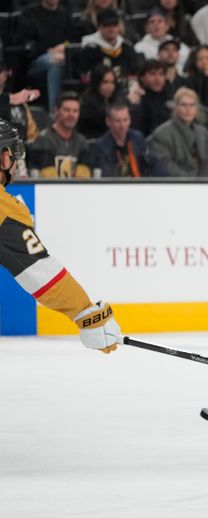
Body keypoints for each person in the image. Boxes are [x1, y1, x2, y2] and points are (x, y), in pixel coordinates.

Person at [0, 120, 122, 352]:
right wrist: (87, 315)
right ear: (5, 158)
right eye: (15, 156)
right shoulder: (4, 210)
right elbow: (41, 272)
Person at [14, 0, 73, 111]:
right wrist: (49, 51)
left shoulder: (65, 14)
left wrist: (65, 47)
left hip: (63, 55)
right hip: (34, 64)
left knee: (65, 60)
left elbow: (72, 39)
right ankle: (54, 111)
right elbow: (25, 45)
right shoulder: (29, 14)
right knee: (55, 62)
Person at [148, 87, 208, 177]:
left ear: (197, 109)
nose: (188, 109)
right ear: (175, 107)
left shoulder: (203, 132)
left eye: (192, 105)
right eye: (183, 105)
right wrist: (191, 182)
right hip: (177, 185)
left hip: (204, 184)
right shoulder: (162, 134)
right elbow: (165, 166)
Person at [91, 103, 165, 178]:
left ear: (130, 120)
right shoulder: (101, 146)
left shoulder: (137, 138)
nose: (122, 125)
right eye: (117, 121)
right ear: (108, 122)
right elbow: (106, 176)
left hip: (140, 185)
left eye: (125, 120)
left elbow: (154, 164)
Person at [28, 92, 92, 178]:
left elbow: (84, 177)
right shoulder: (43, 140)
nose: (71, 115)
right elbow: (46, 177)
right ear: (57, 111)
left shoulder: (81, 142)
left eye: (75, 111)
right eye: (67, 110)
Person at [79, 9, 140, 85]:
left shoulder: (127, 47)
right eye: (106, 25)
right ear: (98, 27)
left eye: (114, 24)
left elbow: (134, 73)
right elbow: (86, 78)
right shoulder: (89, 50)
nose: (111, 29)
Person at [134, 7, 190, 73]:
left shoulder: (178, 44)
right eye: (152, 22)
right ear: (147, 28)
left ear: (167, 26)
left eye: (160, 21)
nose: (156, 25)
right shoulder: (139, 47)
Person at [77, 65, 123, 140]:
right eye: (105, 82)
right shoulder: (88, 103)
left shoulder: (115, 99)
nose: (109, 87)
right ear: (97, 83)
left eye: (112, 82)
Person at [130, 59, 172, 137]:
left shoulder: (170, 98)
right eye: (152, 74)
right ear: (142, 78)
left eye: (161, 74)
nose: (157, 79)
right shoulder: (137, 99)